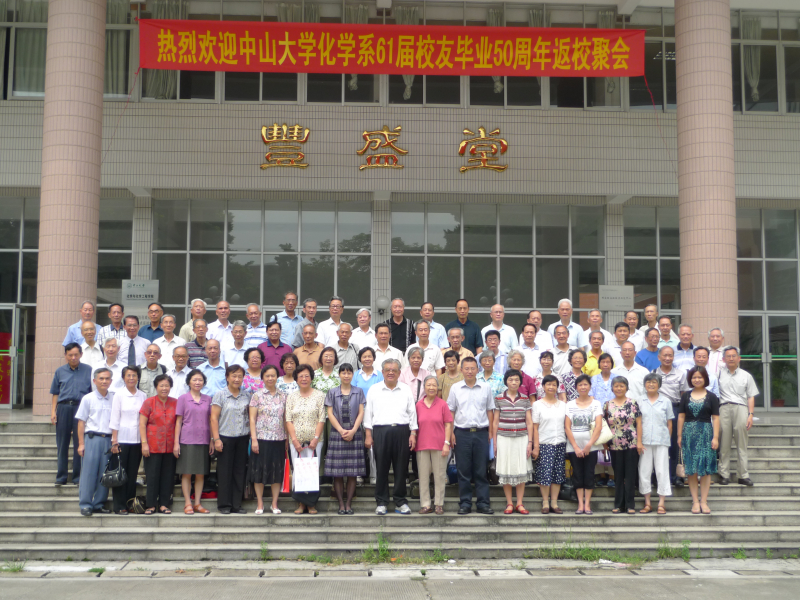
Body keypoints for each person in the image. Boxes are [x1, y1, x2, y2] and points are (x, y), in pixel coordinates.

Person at [364, 359, 418, 515]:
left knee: (401, 468)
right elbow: (369, 414)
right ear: (382, 372)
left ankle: (400, 501)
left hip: (402, 431)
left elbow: (412, 413)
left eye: (394, 370)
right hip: (380, 431)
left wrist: (413, 433)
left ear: (399, 373)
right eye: (387, 369)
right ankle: (381, 502)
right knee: (381, 468)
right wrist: (368, 434)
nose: (391, 372)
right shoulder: (374, 389)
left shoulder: (406, 389)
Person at [447, 356, 495, 515]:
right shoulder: (455, 388)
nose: (469, 371)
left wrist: (490, 433)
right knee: (463, 470)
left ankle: (483, 503)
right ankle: (465, 503)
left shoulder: (485, 387)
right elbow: (451, 411)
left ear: (477, 369)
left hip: (481, 433)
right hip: (461, 433)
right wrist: (452, 433)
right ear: (461, 370)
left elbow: (490, 410)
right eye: (466, 368)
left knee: (481, 471)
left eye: (472, 368)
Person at [325, 363, 366, 515]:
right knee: (338, 472)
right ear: (339, 375)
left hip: (355, 433)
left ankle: (348, 504)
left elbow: (361, 412)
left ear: (352, 375)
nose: (346, 375)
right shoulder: (332, 392)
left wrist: (354, 430)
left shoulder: (359, 391)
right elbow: (330, 414)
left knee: (352, 472)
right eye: (344, 372)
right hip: (338, 433)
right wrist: (342, 430)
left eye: (349, 373)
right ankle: (340, 504)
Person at [678, 366, 721, 514]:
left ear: (705, 379)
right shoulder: (685, 396)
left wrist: (715, 437)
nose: (697, 380)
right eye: (694, 377)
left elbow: (715, 418)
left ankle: (704, 501)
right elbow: (681, 416)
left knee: (706, 469)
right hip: (689, 433)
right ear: (690, 379)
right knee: (691, 469)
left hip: (706, 433)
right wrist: (679, 436)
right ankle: (695, 501)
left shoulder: (712, 397)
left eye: (700, 377)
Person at [210, 365, 252, 514]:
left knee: (239, 472)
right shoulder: (220, 395)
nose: (237, 379)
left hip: (242, 438)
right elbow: (214, 418)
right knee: (224, 472)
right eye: (233, 376)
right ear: (227, 377)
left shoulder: (247, 395)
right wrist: (216, 439)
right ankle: (224, 505)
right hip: (225, 438)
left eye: (240, 376)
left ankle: (236, 504)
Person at [285, 364, 327, 514]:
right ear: (296, 379)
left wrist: (315, 438)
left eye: (306, 376)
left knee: (312, 471)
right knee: (298, 471)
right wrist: (294, 440)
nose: (304, 379)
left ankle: (311, 504)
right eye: (300, 376)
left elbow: (322, 418)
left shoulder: (320, 395)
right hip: (295, 442)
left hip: (315, 442)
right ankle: (301, 504)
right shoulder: (291, 397)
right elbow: (288, 419)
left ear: (311, 378)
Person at [51, 343, 93, 486]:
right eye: (70, 355)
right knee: (62, 443)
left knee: (79, 443)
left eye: (76, 354)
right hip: (63, 408)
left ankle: (77, 477)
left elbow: (91, 392)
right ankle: (61, 476)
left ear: (81, 354)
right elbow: (55, 393)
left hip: (81, 409)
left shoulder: (89, 370)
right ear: (65, 356)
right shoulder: (60, 371)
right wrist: (53, 412)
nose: (73, 357)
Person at [248, 364, 288, 516]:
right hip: (261, 439)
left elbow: (285, 418)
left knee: (277, 472)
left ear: (277, 377)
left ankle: (274, 503)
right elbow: (252, 419)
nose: (270, 378)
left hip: (278, 439)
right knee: (259, 472)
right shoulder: (257, 395)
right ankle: (260, 503)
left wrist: (286, 438)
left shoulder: (283, 396)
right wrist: (254, 439)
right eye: (267, 376)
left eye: (273, 375)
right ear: (263, 378)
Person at [493, 369, 533, 515]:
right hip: (504, 438)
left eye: (516, 379)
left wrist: (530, 442)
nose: (514, 382)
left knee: (521, 470)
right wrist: (495, 442)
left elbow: (529, 422)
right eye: (511, 379)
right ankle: (509, 503)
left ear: (520, 382)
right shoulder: (499, 399)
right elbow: (495, 421)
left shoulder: (525, 399)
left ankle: (520, 503)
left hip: (522, 438)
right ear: (506, 381)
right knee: (506, 470)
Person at [174, 368, 213, 515]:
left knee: (200, 473)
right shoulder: (183, 398)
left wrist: (211, 440)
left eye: (200, 380)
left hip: (203, 439)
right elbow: (178, 422)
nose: (197, 382)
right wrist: (176, 443)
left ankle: (197, 503)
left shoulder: (208, 399)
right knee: (187, 473)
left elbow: (210, 421)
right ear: (189, 382)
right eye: (195, 379)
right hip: (187, 439)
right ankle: (187, 503)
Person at [75, 367, 114, 516]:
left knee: (104, 474)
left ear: (111, 381)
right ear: (94, 381)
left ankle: (98, 503)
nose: (104, 381)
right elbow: (81, 422)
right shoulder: (88, 398)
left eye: (107, 378)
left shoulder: (114, 398)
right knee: (88, 473)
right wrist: (81, 443)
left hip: (108, 440)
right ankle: (85, 504)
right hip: (92, 439)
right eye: (101, 378)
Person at [138, 374, 178, 515]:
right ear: (156, 387)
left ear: (170, 387)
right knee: (152, 476)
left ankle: (164, 504)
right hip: (152, 445)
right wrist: (144, 444)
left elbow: (178, 423)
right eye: (161, 385)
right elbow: (142, 424)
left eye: (167, 385)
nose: (164, 388)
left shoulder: (175, 402)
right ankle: (151, 505)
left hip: (170, 446)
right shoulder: (149, 402)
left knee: (167, 476)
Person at [718, 346, 758, 487]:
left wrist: (750, 415)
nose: (731, 358)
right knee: (724, 444)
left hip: (741, 409)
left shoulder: (746, 376)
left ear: (739, 358)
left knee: (742, 444)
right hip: (723, 408)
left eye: (734, 356)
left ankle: (743, 475)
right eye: (728, 356)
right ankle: (724, 474)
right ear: (723, 359)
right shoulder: (718, 375)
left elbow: (750, 396)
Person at [565, 374, 603, 515]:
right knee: (578, 474)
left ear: (590, 386)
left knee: (589, 474)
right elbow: (567, 427)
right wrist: (575, 446)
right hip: (574, 446)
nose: (583, 387)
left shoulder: (596, 404)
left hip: (591, 447)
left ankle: (587, 505)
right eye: (580, 384)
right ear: (576, 387)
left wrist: (588, 445)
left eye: (585, 384)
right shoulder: (570, 404)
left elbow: (598, 426)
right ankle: (580, 505)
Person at [604, 376, 643, 514]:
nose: (619, 388)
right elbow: (604, 425)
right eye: (616, 386)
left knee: (631, 475)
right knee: (618, 475)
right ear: (612, 388)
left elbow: (638, 423)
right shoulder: (607, 404)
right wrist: (604, 444)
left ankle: (630, 505)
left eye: (622, 386)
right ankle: (618, 504)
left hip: (632, 443)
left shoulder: (633, 403)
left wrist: (639, 442)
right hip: (614, 444)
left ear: (626, 387)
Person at [109, 366, 146, 515]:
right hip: (122, 440)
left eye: (134, 375)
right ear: (123, 378)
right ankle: (119, 505)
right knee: (120, 475)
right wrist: (114, 441)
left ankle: (130, 503)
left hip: (137, 441)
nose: (131, 378)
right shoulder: (118, 395)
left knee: (132, 475)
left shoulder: (143, 395)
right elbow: (114, 418)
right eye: (128, 375)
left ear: (138, 378)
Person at [415, 375, 453, 515]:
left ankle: (438, 504)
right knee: (423, 476)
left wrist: (446, 443)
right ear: (424, 388)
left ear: (437, 388)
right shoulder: (419, 404)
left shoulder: (442, 404)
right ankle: (425, 504)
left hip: (439, 445)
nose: (431, 387)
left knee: (439, 475)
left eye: (433, 385)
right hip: (422, 445)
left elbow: (448, 425)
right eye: (428, 385)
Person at [638, 373, 674, 515]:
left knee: (661, 471)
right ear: (644, 384)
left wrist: (667, 439)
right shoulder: (639, 401)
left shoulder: (666, 401)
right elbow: (638, 423)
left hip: (661, 440)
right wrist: (638, 442)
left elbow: (669, 424)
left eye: (654, 382)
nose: (651, 384)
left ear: (659, 384)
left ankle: (661, 503)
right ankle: (647, 503)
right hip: (644, 441)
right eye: (648, 382)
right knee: (644, 471)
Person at [532, 374, 568, 514]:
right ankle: (545, 502)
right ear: (543, 387)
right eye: (548, 384)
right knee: (545, 474)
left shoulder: (563, 405)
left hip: (560, 442)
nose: (551, 387)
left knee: (557, 474)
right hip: (544, 443)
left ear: (557, 387)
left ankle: (554, 503)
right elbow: (535, 427)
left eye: (554, 384)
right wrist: (536, 446)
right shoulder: (537, 405)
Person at [655, 345, 690, 487]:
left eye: (670, 355)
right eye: (665, 355)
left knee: (675, 444)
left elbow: (684, 395)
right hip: (658, 412)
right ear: (659, 357)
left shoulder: (680, 374)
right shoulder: (653, 374)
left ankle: (675, 476)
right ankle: (658, 477)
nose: (667, 358)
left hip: (675, 410)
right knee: (659, 445)